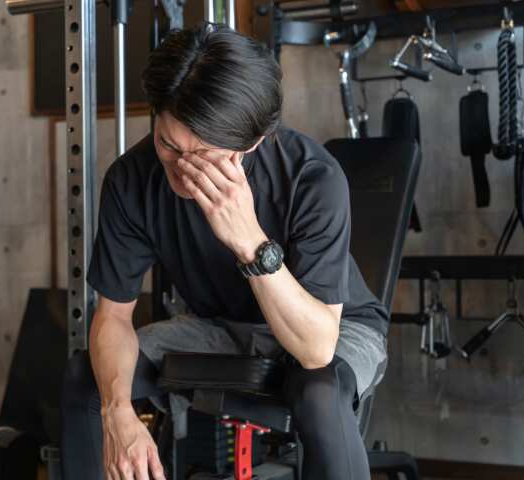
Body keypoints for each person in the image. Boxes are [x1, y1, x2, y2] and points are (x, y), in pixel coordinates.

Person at [60, 22, 388, 480]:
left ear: (251, 144)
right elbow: (113, 316)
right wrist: (118, 413)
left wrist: (249, 240)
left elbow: (316, 348)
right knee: (86, 379)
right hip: (219, 327)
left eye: (204, 157)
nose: (182, 169)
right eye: (169, 146)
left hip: (331, 325)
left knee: (320, 391)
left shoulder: (312, 176)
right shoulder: (131, 179)